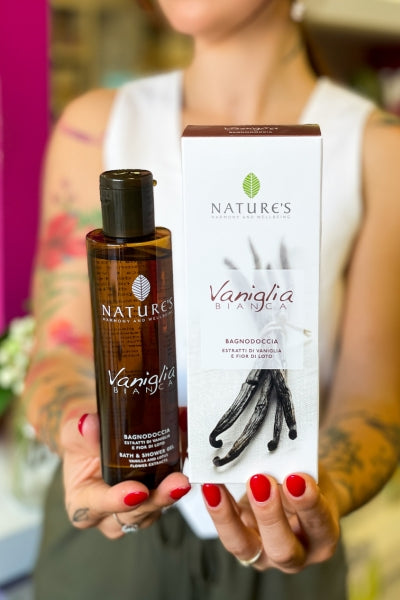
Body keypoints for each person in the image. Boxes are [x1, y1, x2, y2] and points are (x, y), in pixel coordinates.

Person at [24, 0, 400, 598]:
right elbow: (61, 349)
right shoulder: (96, 124)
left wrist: (317, 496)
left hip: (286, 540)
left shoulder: (378, 148)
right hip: (112, 536)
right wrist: (84, 438)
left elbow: (372, 397)